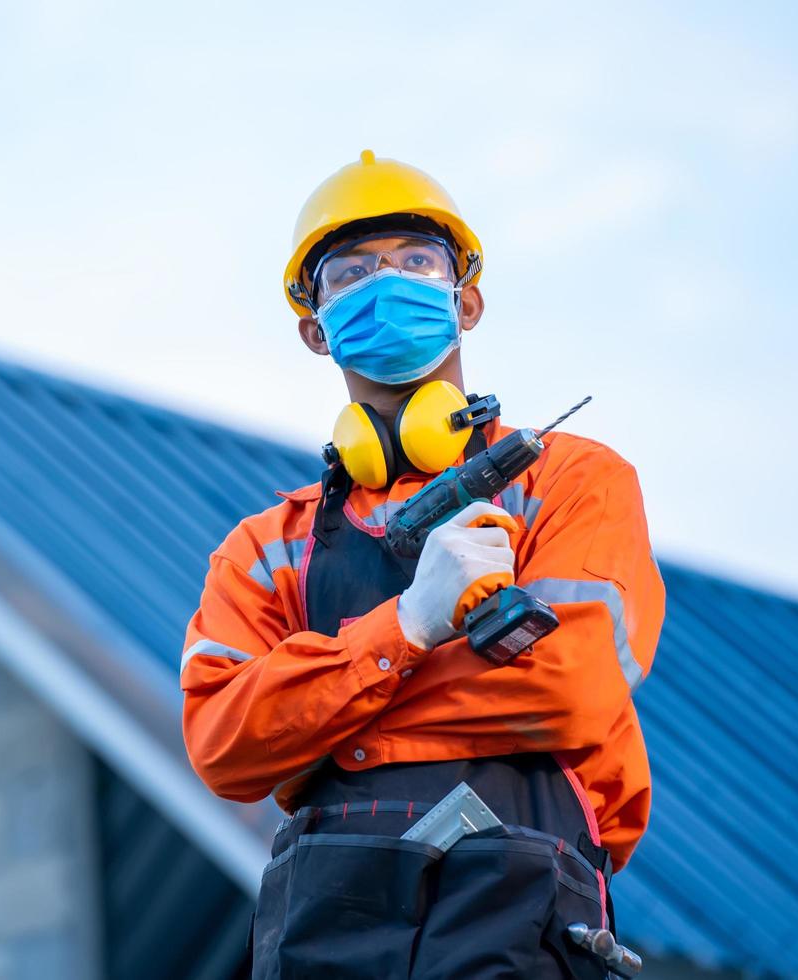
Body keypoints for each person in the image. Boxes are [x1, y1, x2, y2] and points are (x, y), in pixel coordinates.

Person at [179, 150, 665, 978]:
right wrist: (405, 626)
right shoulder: (267, 547)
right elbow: (225, 745)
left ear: (465, 300)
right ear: (314, 326)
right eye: (352, 272)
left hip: (524, 913)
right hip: (329, 928)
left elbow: (573, 688)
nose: (388, 282)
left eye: (417, 261)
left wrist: (333, 728)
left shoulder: (570, 481)